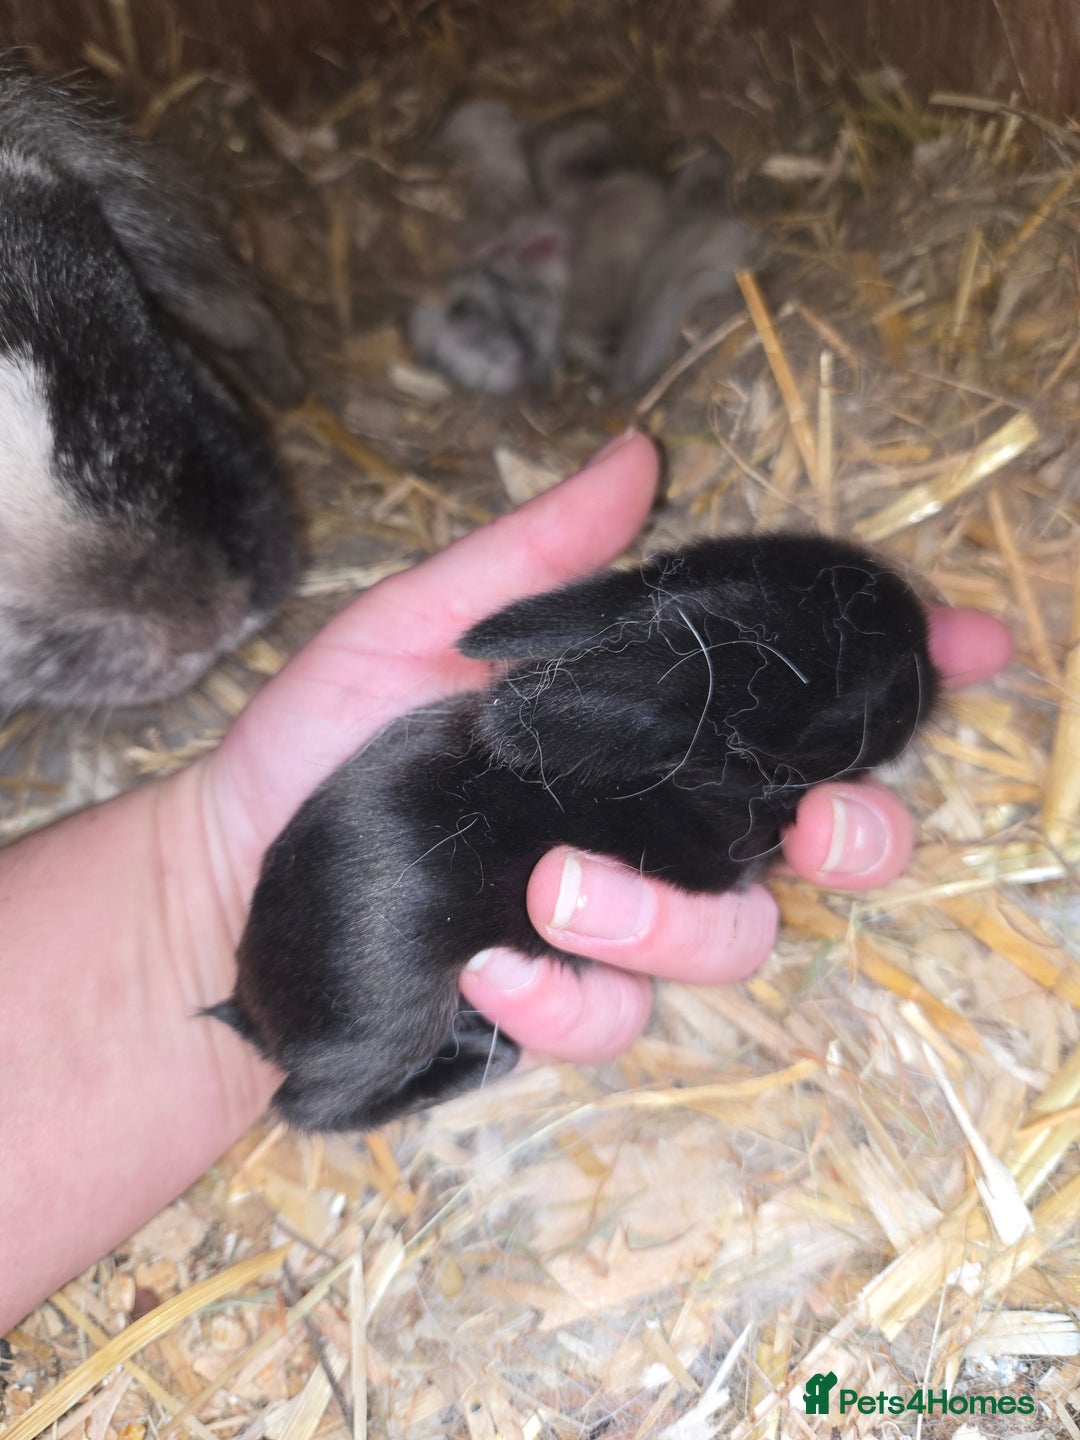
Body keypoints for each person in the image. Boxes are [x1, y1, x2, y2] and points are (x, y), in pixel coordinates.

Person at [0, 433, 1011, 1331]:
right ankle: (333, 1097)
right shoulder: (688, 789)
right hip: (344, 988)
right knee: (369, 1037)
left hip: (326, 880)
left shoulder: (624, 714)